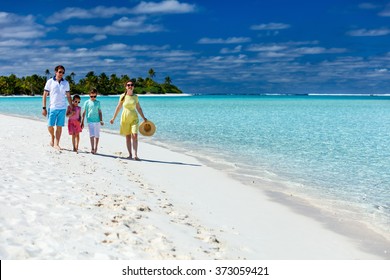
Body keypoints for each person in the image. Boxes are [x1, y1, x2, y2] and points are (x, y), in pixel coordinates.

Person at [110, 81, 147, 160]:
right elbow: (118, 107)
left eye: (131, 85)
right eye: (128, 85)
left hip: (134, 118)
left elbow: (139, 108)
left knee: (135, 135)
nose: (130, 86)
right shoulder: (122, 96)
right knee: (128, 137)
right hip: (125, 118)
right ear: (126, 87)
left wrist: (144, 117)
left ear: (133, 87)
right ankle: (130, 154)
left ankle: (135, 154)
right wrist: (113, 118)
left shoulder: (135, 97)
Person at [42, 65, 72, 150]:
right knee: (50, 126)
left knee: (59, 126)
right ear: (56, 72)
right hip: (52, 107)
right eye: (59, 72)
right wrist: (44, 108)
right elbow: (44, 95)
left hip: (62, 108)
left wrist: (71, 107)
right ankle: (52, 136)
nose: (61, 74)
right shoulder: (50, 82)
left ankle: (56, 143)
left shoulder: (66, 83)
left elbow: (68, 96)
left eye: (62, 72)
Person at [81, 89, 104, 154]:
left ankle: (96, 147)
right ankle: (92, 148)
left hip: (97, 121)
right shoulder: (87, 102)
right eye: (91, 96)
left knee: (97, 135)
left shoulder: (98, 102)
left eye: (94, 96)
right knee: (91, 135)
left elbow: (100, 112)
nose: (93, 98)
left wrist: (101, 120)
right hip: (90, 120)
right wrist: (82, 122)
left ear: (96, 96)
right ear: (89, 95)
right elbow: (84, 112)